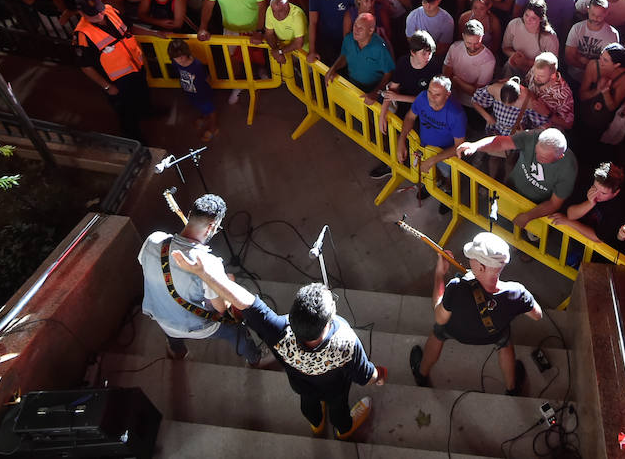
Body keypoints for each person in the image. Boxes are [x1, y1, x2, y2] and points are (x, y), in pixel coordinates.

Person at [168, 249, 386, 440]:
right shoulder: (346, 343)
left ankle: (316, 424)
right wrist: (379, 376)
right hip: (334, 390)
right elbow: (365, 376)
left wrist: (203, 274)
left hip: (302, 386)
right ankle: (344, 430)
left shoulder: (279, 331)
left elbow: (245, 302)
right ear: (327, 322)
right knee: (339, 410)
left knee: (309, 404)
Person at [410, 232, 542, 395]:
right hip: (493, 335)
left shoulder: (456, 287)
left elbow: (440, 318)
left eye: (472, 257)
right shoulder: (517, 292)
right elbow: (537, 315)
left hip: (456, 332)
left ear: (481, 268)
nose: (468, 260)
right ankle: (511, 388)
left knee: (438, 331)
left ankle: (421, 374)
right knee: (506, 339)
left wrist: (439, 275)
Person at [136, 193, 261, 364]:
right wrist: (227, 283)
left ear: (189, 215)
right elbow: (221, 308)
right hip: (197, 327)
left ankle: (177, 352)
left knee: (171, 328)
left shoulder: (153, 240)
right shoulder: (208, 264)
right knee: (237, 329)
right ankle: (254, 359)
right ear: (211, 228)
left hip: (162, 319)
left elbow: (148, 265)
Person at [443, 128, 577, 242]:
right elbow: (501, 142)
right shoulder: (532, 137)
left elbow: (554, 203)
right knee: (501, 225)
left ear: (560, 156)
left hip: (537, 207)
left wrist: (529, 216)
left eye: (544, 158)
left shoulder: (568, 168)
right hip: (511, 191)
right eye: (536, 153)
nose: (537, 159)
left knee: (531, 238)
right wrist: (476, 146)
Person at [72, 0, 151, 140]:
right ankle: (133, 135)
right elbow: (85, 66)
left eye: (99, 10)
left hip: (136, 66)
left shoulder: (110, 10)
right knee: (126, 110)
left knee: (143, 94)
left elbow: (129, 27)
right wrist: (107, 87)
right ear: (81, 13)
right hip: (116, 80)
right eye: (93, 14)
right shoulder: (82, 34)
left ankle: (147, 112)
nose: (99, 15)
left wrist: (154, 33)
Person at [325, 12, 394, 93]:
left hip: (372, 91)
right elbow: (344, 56)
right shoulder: (348, 39)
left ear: (371, 30)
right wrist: (333, 68)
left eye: (360, 28)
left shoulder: (380, 47)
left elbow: (389, 73)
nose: (356, 30)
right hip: (352, 87)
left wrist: (375, 92)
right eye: (355, 26)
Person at [168, 38, 218, 141]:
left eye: (182, 56)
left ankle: (213, 128)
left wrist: (208, 90)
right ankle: (204, 117)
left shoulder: (196, 65)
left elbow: (207, 78)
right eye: (176, 57)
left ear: (187, 53)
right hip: (190, 92)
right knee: (200, 106)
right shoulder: (175, 63)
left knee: (210, 110)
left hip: (202, 93)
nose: (180, 59)